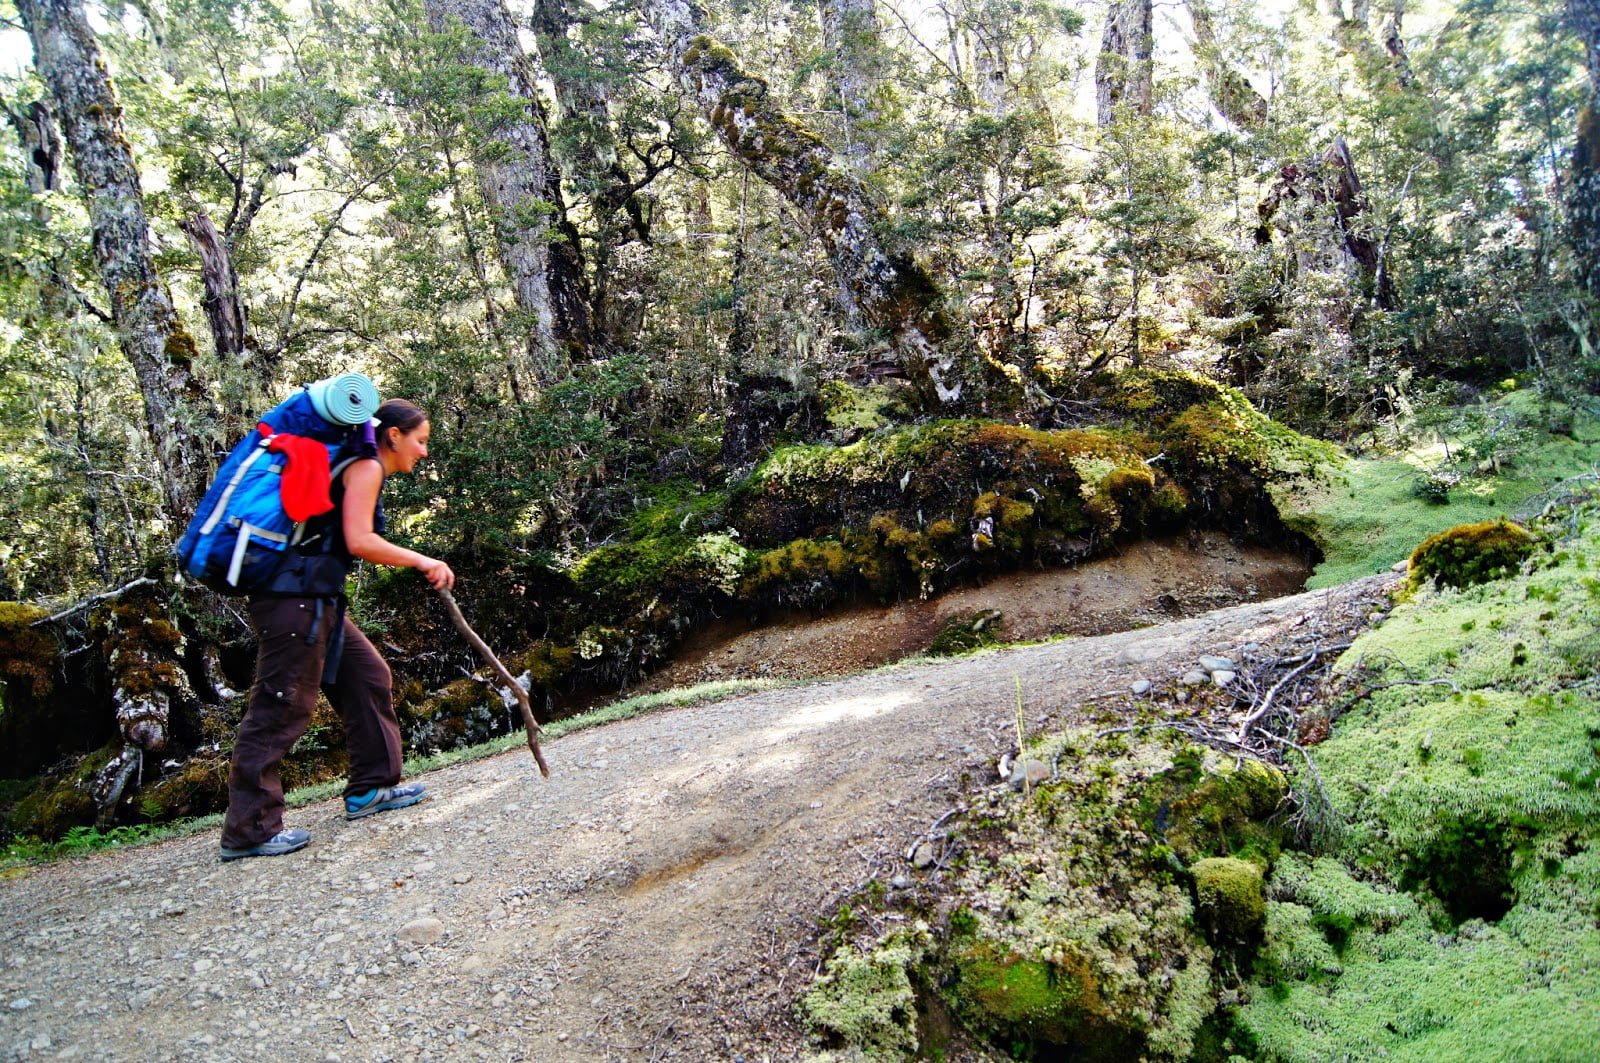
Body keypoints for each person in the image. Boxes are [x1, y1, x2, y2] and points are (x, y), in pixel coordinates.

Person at [219, 399, 456, 861]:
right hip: (293, 601)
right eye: (421, 441)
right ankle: (249, 830)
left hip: (316, 599)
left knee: (367, 677)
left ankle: (371, 787)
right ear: (393, 436)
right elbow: (359, 540)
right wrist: (422, 560)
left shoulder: (355, 462)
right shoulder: (365, 465)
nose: (424, 451)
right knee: (280, 708)